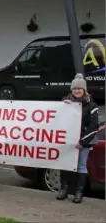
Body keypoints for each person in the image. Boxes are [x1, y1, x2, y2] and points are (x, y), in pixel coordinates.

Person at [56, 73, 100, 204]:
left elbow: (94, 127)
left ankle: (79, 192)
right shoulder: (66, 102)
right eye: (74, 88)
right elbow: (58, 120)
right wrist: (63, 107)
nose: (77, 91)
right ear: (71, 90)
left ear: (84, 90)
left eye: (79, 88)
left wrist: (82, 141)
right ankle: (64, 189)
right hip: (68, 141)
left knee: (81, 165)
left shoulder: (92, 106)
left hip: (84, 142)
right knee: (66, 164)